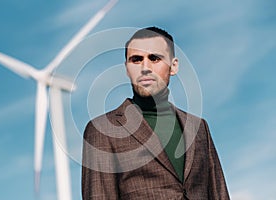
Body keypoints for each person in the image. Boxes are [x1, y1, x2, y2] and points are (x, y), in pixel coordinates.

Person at [82, 26, 230, 200]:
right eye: (136, 60)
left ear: (173, 66)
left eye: (154, 58)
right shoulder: (102, 130)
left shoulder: (198, 128)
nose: (145, 67)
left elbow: (219, 194)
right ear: (127, 68)